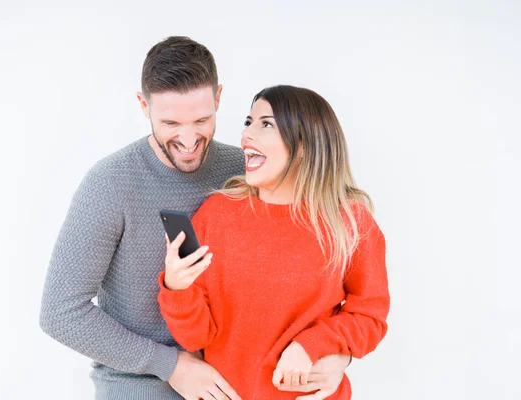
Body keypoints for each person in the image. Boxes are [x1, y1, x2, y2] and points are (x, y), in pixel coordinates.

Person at [40, 36, 351, 400]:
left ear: (219, 98)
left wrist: (336, 356)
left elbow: (317, 281)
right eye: (170, 122)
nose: (188, 140)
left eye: (202, 120)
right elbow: (60, 313)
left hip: (241, 385)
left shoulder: (247, 170)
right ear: (144, 105)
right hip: (140, 387)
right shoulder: (110, 183)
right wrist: (170, 365)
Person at [158, 85, 390, 399]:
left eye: (266, 124)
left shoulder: (350, 223)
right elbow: (196, 337)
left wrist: (313, 345)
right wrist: (177, 288)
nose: (247, 135)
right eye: (248, 122)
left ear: (305, 143)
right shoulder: (217, 214)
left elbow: (369, 318)